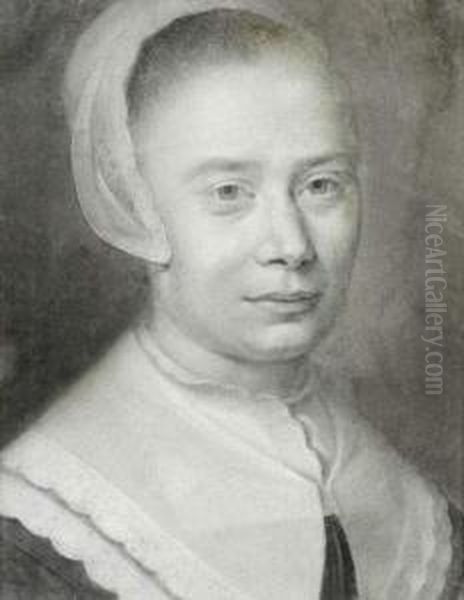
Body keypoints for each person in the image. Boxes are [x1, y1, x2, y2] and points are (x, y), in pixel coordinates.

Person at [0, 1, 462, 598]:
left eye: (321, 184)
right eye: (228, 192)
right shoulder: (43, 531)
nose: (291, 245)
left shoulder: (421, 519)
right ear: (134, 203)